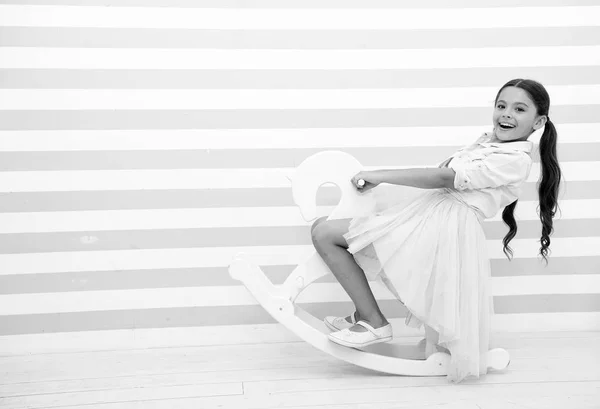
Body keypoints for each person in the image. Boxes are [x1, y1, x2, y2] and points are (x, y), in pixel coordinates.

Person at [310, 78, 562, 383]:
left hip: (445, 227)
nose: (507, 113)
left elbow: (445, 177)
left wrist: (380, 176)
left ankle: (372, 319)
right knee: (323, 227)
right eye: (501, 105)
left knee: (326, 235)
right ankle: (366, 315)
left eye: (519, 109)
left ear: (539, 121)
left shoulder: (514, 160)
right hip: (431, 214)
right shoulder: (485, 143)